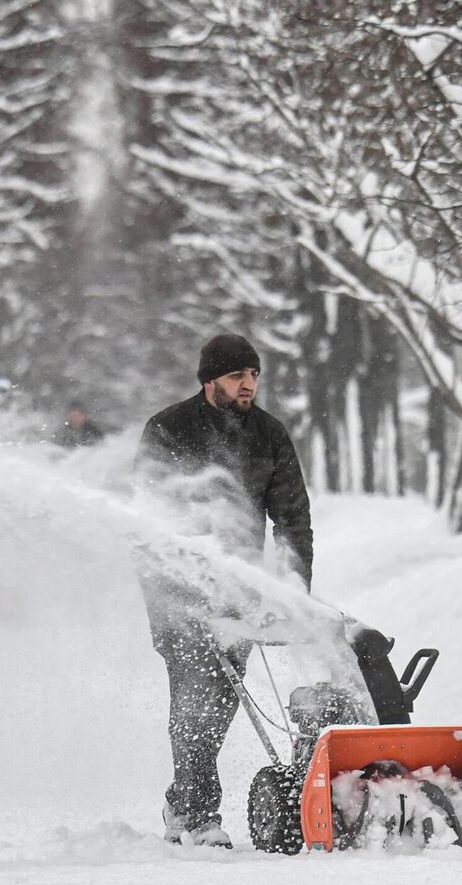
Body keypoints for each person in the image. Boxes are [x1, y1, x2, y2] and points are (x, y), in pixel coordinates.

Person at [133, 332, 312, 847]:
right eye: (237, 376)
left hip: (238, 589)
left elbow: (293, 518)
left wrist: (295, 585)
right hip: (174, 589)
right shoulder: (168, 428)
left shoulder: (269, 434)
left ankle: (179, 802)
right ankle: (200, 819)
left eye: (254, 375)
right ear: (210, 380)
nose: (248, 385)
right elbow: (150, 512)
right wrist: (181, 576)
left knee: (221, 700)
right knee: (194, 695)